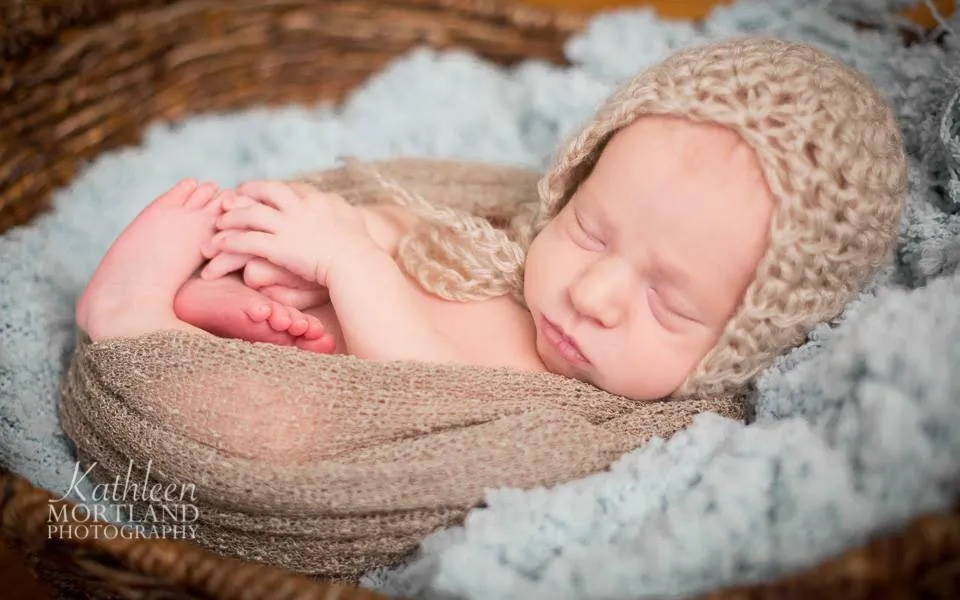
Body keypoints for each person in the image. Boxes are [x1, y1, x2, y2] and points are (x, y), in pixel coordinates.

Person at [74, 37, 907, 402]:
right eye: (589, 229)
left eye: (673, 304)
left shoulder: (584, 413)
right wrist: (352, 240)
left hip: (362, 398)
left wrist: (349, 267)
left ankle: (138, 323)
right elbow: (433, 243)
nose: (596, 293)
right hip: (334, 331)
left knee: (270, 422)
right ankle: (230, 302)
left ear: (746, 346)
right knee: (319, 254)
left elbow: (428, 385)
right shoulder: (522, 261)